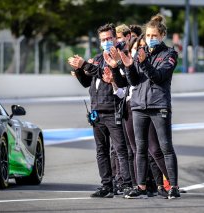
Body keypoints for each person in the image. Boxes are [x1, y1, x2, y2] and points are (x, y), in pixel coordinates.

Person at [119, 14, 180, 199]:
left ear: (162, 36)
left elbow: (159, 77)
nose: (150, 39)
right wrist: (129, 66)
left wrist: (144, 62)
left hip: (159, 105)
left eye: (154, 36)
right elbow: (134, 81)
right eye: (148, 36)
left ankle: (174, 186)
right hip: (138, 105)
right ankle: (141, 186)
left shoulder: (169, 54)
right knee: (140, 147)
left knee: (165, 147)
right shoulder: (140, 53)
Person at [67, 23, 131, 198]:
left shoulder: (119, 57)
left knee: (120, 150)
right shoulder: (96, 58)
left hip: (113, 110)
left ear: (115, 38)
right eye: (103, 39)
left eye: (109, 38)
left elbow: (104, 75)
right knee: (101, 151)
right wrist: (79, 69)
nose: (107, 42)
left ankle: (126, 184)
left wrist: (85, 66)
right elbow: (87, 83)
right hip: (96, 112)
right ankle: (106, 186)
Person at [104, 32, 170, 199]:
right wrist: (114, 68)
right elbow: (122, 85)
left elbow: (153, 79)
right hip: (131, 107)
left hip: (149, 106)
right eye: (133, 49)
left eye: (139, 48)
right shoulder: (128, 65)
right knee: (135, 150)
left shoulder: (145, 64)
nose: (136, 51)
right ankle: (139, 185)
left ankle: (169, 183)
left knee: (155, 149)